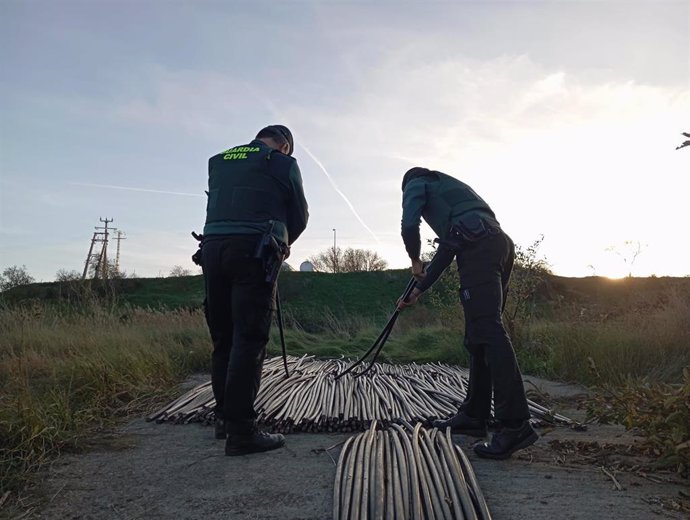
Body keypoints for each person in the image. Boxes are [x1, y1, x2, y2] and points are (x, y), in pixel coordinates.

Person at [396, 166, 537, 460]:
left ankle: (514, 424)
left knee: (488, 330)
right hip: (498, 245)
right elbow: (448, 250)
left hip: (479, 248)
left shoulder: (417, 182)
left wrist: (413, 258)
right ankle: (474, 415)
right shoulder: (455, 195)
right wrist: (416, 292)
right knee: (478, 335)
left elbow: (409, 224)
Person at [199, 125, 308, 456]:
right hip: (253, 249)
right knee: (249, 338)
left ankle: (223, 420)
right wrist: (285, 243)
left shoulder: (218, 161)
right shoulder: (282, 163)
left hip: (212, 250)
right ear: (285, 145)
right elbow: (299, 216)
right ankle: (242, 431)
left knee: (224, 337)